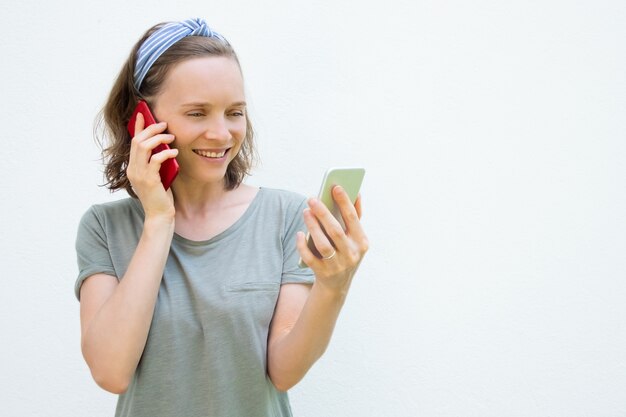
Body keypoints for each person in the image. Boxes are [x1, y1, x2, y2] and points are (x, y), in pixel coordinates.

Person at [75, 18, 368, 417]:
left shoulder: (284, 216)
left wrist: (333, 287)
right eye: (197, 113)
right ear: (142, 120)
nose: (222, 133)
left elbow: (284, 371)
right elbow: (111, 372)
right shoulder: (104, 228)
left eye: (235, 112)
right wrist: (159, 220)